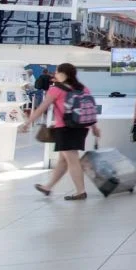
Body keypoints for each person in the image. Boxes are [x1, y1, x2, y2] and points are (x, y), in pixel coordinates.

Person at [22, 63, 100, 200]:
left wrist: (28, 122)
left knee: (72, 159)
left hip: (65, 128)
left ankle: (80, 191)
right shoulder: (83, 88)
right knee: (63, 160)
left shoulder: (56, 90)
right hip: (82, 128)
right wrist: (94, 127)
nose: (55, 74)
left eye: (57, 72)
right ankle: (48, 187)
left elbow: (42, 108)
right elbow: (89, 109)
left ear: (63, 74)